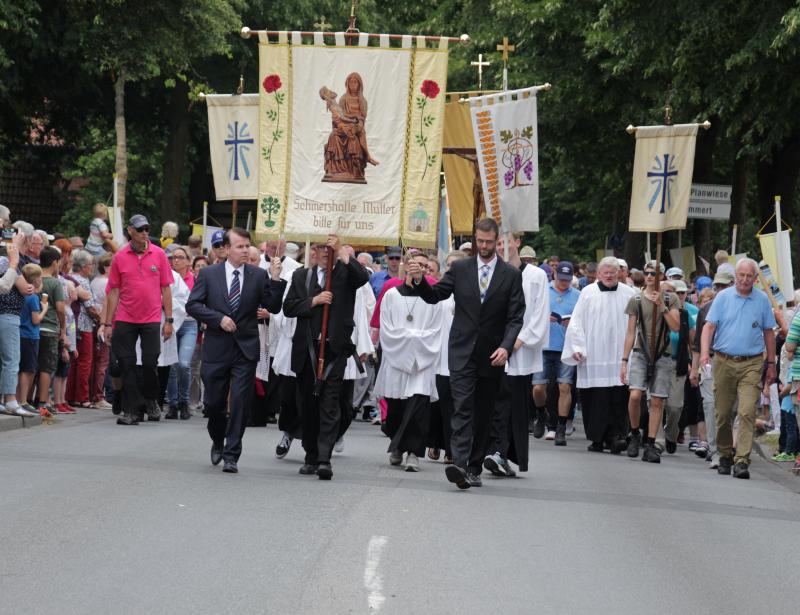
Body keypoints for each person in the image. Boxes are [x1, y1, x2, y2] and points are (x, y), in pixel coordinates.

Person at [408, 218, 525, 489]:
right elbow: (435, 295)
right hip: (461, 351)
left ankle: (473, 467)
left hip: (492, 355)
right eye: (480, 241)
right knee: (462, 407)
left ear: (497, 241)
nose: (483, 246)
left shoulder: (510, 275)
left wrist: (506, 347)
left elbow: (516, 317)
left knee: (483, 413)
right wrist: (419, 279)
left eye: (488, 242)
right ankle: (459, 464)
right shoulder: (460, 268)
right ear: (475, 239)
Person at [186, 228, 286, 473]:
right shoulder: (209, 274)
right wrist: (217, 318)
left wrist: (275, 279)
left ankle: (232, 454)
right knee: (213, 403)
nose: (244, 250)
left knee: (240, 402)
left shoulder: (258, 275)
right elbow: (193, 305)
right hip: (217, 347)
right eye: (239, 246)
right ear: (227, 249)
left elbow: (272, 305)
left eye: (246, 246)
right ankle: (218, 439)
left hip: (245, 348)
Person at [283, 234, 369, 480]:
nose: (323, 252)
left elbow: (362, 277)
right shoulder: (302, 276)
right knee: (308, 406)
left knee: (330, 405)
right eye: (319, 247)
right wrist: (314, 301)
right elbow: (289, 307)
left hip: (334, 350)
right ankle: (310, 456)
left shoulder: (345, 274)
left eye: (327, 248)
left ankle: (324, 459)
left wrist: (342, 251)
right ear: (312, 251)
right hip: (307, 351)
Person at [700, 257, 777, 479]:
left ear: (755, 279)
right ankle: (724, 454)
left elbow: (768, 333)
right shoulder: (723, 297)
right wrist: (705, 353)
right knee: (723, 413)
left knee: (746, 411)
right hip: (723, 360)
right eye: (740, 276)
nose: (744, 280)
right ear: (735, 277)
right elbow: (709, 327)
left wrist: (771, 363)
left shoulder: (762, 300)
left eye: (748, 276)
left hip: (751, 362)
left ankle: (742, 459)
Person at [485, 236, 549, 476]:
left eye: (505, 242)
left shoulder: (536, 276)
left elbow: (539, 314)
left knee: (512, 406)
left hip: (518, 352)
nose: (501, 247)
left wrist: (514, 343)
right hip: (492, 350)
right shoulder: (489, 271)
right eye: (497, 243)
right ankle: (492, 451)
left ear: (517, 242)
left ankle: (503, 453)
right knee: (491, 405)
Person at [104, 215, 174, 425]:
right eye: (140, 229)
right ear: (130, 231)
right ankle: (131, 410)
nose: (145, 232)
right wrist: (108, 323)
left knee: (151, 362)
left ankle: (151, 399)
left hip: (151, 317)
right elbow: (113, 292)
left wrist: (168, 320)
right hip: (125, 317)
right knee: (127, 364)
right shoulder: (120, 256)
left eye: (147, 228)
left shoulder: (159, 254)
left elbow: (166, 288)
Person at [375, 253, 442, 472]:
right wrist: (412, 339)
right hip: (397, 360)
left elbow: (436, 330)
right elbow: (387, 329)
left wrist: (412, 340)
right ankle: (397, 445)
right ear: (405, 266)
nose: (419, 269)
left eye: (424, 266)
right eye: (415, 264)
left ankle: (413, 452)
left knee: (419, 407)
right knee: (396, 409)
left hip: (422, 362)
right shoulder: (391, 295)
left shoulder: (433, 298)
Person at [562, 257, 636, 452]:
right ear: (598, 274)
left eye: (613, 272)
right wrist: (577, 347)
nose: (610, 275)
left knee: (617, 396)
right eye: (606, 272)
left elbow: (635, 326)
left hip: (619, 354)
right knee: (595, 398)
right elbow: (576, 321)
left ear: (619, 273)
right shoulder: (587, 293)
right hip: (594, 354)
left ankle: (617, 436)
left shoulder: (629, 294)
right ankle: (597, 437)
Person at [620, 261, 680, 463]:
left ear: (661, 276)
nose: (649, 276)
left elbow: (676, 327)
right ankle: (635, 432)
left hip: (663, 354)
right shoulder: (636, 298)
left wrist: (661, 306)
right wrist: (624, 360)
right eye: (646, 273)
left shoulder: (670, 298)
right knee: (635, 395)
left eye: (653, 273)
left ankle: (651, 442)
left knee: (657, 400)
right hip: (640, 352)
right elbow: (630, 332)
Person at [532, 260, 581, 445]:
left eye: (567, 280)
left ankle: (560, 427)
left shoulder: (577, 295)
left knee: (565, 386)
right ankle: (540, 413)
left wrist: (573, 324)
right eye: (561, 279)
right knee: (538, 387)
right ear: (554, 275)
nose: (563, 283)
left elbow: (583, 319)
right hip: (544, 345)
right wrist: (545, 319)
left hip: (566, 347)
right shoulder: (544, 292)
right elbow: (532, 314)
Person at [165, 246, 197, 420]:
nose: (175, 260)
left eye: (180, 257)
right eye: (173, 257)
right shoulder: (167, 277)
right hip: (171, 324)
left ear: (188, 260)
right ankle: (172, 403)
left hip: (189, 324)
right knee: (172, 365)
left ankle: (184, 401)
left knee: (184, 363)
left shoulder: (196, 280)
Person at [35, 247, 66, 417]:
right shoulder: (55, 283)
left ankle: (28, 399)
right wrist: (62, 327)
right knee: (47, 367)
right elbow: (60, 308)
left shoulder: (34, 279)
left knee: (32, 366)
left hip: (34, 327)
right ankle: (43, 402)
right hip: (49, 328)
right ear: (55, 262)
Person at [65, 250, 98, 408]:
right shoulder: (83, 282)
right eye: (91, 264)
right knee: (85, 362)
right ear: (84, 266)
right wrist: (102, 320)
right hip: (84, 326)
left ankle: (70, 395)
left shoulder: (71, 278)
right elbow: (91, 308)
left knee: (74, 361)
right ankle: (82, 397)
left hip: (73, 326)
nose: (93, 267)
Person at [14, 264, 45, 416]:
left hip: (19, 333)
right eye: (39, 277)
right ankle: (23, 400)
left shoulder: (20, 294)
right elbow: (35, 319)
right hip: (30, 335)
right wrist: (44, 308)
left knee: (20, 367)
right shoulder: (33, 298)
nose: (41, 279)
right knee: (28, 369)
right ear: (35, 279)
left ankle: (17, 398)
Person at [90, 253, 112, 409]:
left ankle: (95, 395)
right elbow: (107, 304)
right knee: (103, 362)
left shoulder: (95, 281)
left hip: (96, 322)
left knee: (98, 361)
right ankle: (99, 396)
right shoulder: (106, 283)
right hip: (104, 322)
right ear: (106, 267)